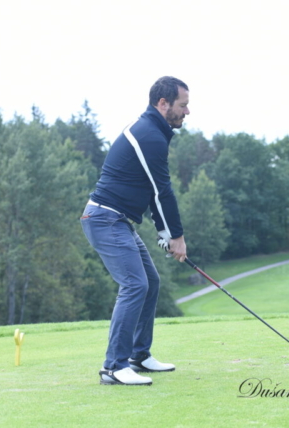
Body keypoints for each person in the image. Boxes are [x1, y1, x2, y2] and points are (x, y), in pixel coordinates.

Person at [80, 76, 190, 386]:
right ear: (163, 103)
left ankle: (138, 355)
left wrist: (165, 233)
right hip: (105, 219)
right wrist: (177, 237)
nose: (187, 111)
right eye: (183, 105)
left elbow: (152, 191)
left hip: (117, 220)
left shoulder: (153, 131)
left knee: (150, 282)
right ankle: (114, 366)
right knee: (134, 284)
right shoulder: (150, 136)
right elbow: (162, 191)